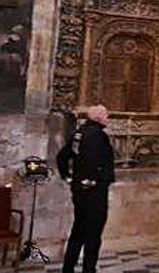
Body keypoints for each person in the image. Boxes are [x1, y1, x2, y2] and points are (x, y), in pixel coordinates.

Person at [57, 105, 116, 273]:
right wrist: (94, 181)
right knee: (93, 234)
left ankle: (68, 268)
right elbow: (93, 161)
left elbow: (62, 156)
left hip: (79, 190)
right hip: (94, 191)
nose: (108, 119)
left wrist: (68, 177)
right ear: (98, 118)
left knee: (78, 230)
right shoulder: (98, 135)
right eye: (106, 116)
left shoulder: (79, 132)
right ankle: (89, 269)